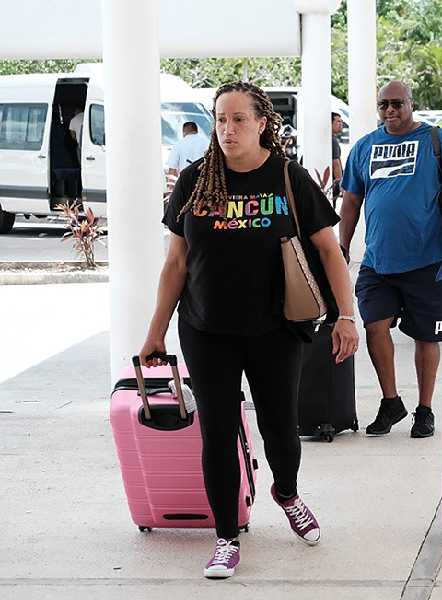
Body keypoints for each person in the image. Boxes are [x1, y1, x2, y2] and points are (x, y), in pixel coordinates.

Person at [138, 81, 358, 579]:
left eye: (239, 119)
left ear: (262, 124)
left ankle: (287, 493)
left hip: (274, 329)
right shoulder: (195, 181)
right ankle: (226, 537)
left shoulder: (288, 178)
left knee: (280, 429)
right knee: (217, 432)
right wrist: (155, 331)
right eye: (220, 119)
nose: (228, 129)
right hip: (205, 328)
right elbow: (176, 264)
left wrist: (346, 316)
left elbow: (329, 251)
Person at [339, 79, 442, 439]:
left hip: (428, 258)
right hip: (378, 260)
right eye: (383, 104)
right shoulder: (364, 146)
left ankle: (425, 409)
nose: (390, 110)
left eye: (397, 103)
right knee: (374, 326)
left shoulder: (436, 140)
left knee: (426, 337)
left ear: (411, 104)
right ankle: (391, 402)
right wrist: (342, 245)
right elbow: (351, 200)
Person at [331, 112, 344, 207]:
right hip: (332, 183)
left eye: (341, 121)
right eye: (338, 121)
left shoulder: (331, 139)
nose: (341, 124)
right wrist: (341, 184)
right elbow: (336, 164)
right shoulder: (332, 141)